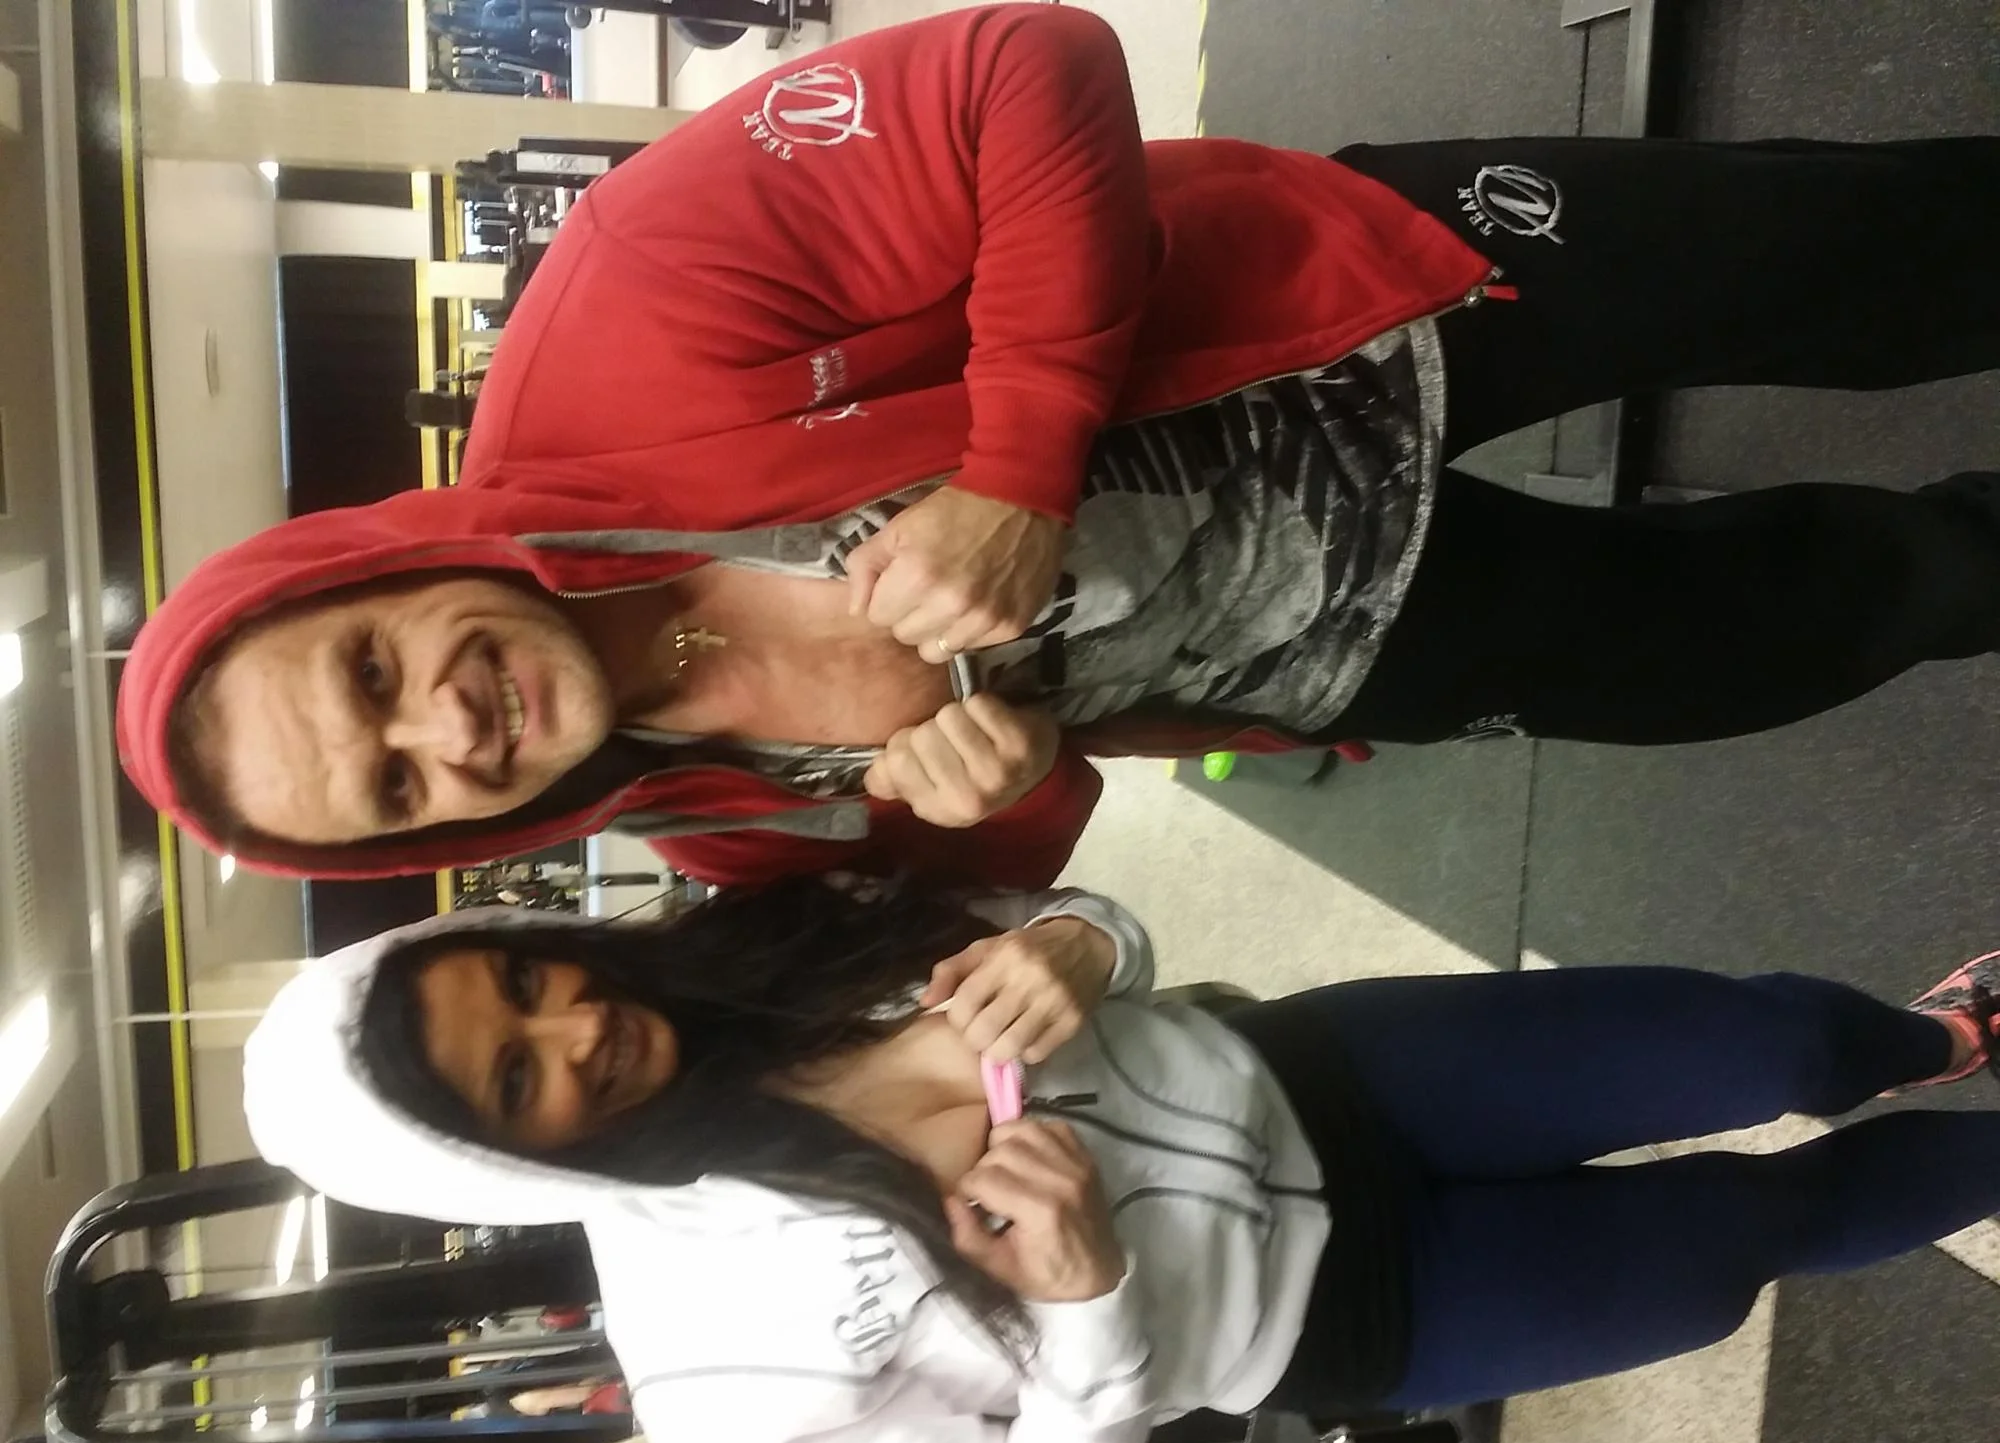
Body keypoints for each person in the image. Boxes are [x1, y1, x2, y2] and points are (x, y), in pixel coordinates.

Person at [118, 6, 2000, 888]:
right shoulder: (717, 825)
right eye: (394, 787)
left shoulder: (623, 308)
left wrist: (1018, 466)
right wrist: (999, 785)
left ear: (364, 569)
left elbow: (1029, 64)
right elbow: (1000, 875)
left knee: (1886, 262)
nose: (445, 730)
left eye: (371, 673)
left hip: (1374, 310)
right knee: (1858, 610)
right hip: (1344, 646)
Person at [245, 873, 2000, 1443]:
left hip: (1336, 1072)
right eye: (517, 1078)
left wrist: (1078, 945)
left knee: (1772, 1044)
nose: (576, 1028)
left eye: (524, 981)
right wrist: (1083, 1311)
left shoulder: (760, 952)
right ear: (497, 1157)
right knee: (1742, 1236)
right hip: (1361, 1319)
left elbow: (1084, 921)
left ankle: (1930, 1042)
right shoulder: (713, 1388)